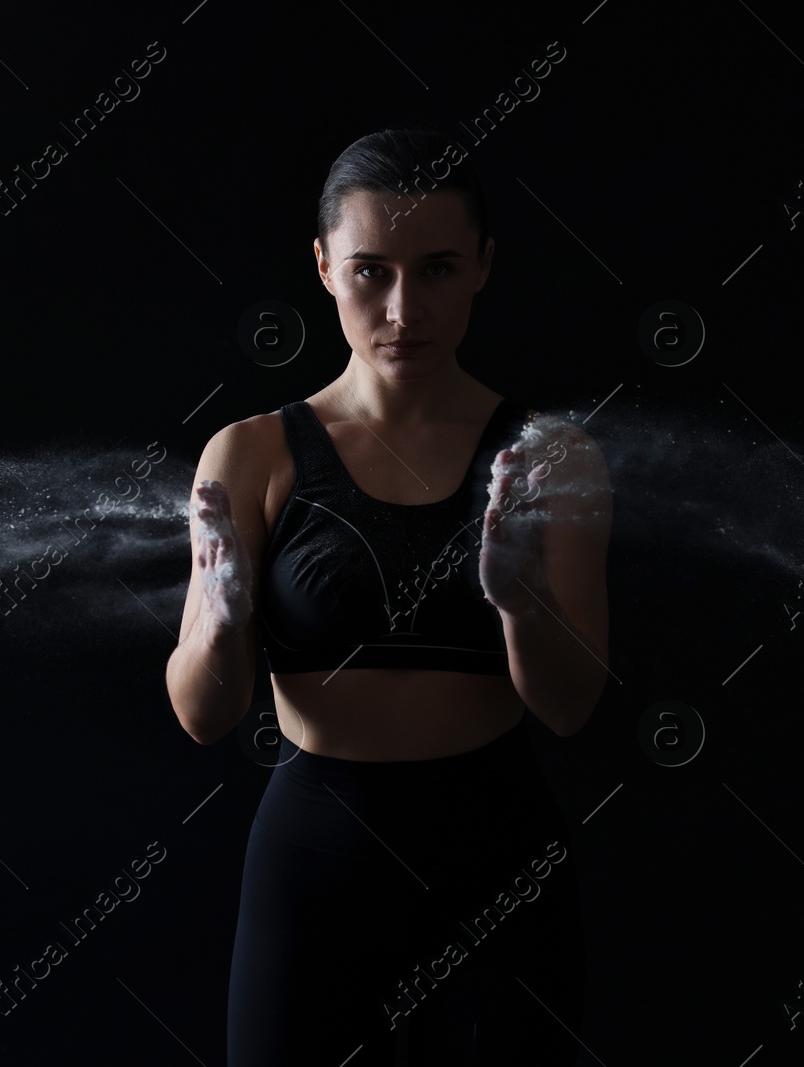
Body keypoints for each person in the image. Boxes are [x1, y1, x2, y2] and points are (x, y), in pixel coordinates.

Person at [165, 127, 612, 1065]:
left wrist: (521, 600)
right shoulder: (250, 455)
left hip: (500, 861)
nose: (405, 308)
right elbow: (206, 715)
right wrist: (224, 604)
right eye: (371, 271)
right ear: (325, 266)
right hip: (313, 864)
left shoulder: (549, 457)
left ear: (484, 265)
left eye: (440, 268)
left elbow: (570, 708)